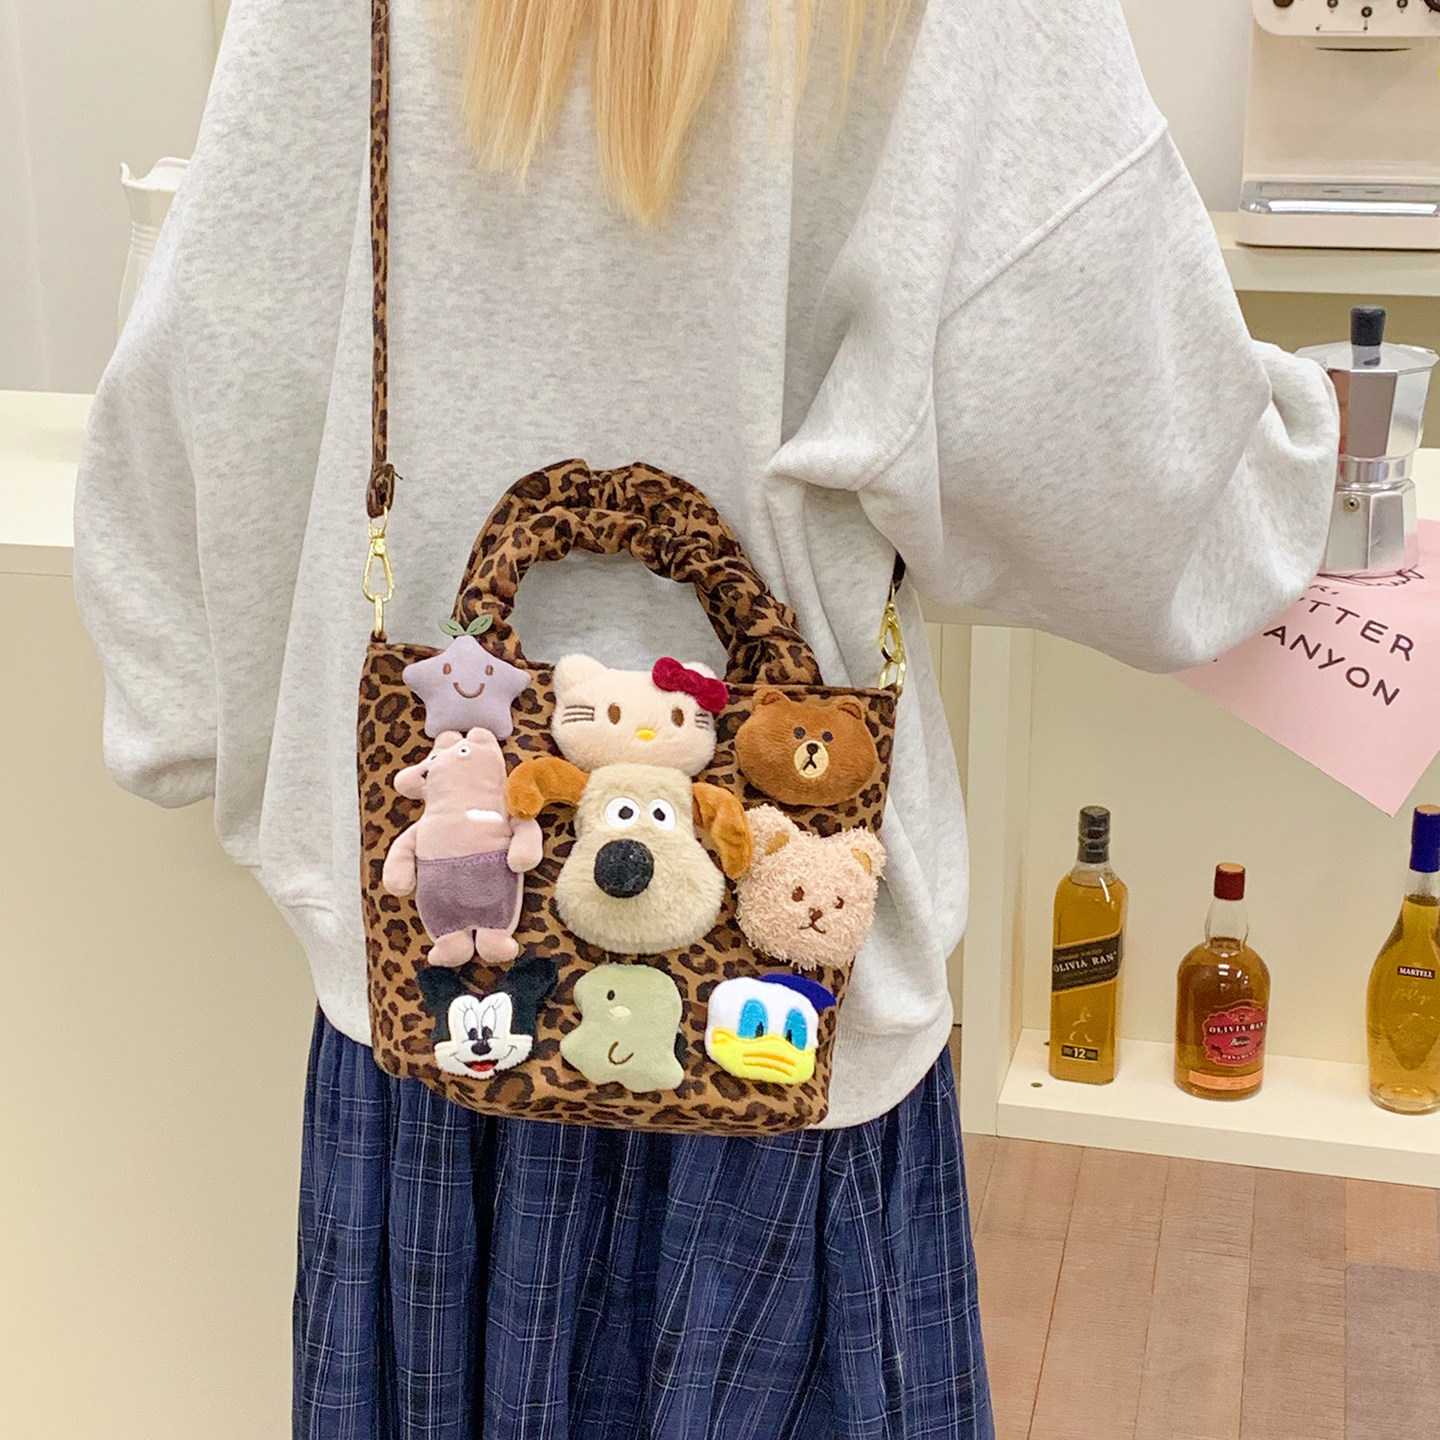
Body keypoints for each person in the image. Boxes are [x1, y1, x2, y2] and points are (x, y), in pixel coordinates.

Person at [73, 1, 1339, 1436]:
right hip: (779, 1044)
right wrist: (1311, 453)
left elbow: (219, 377)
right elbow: (1141, 487)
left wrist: (215, 744)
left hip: (430, 1035)